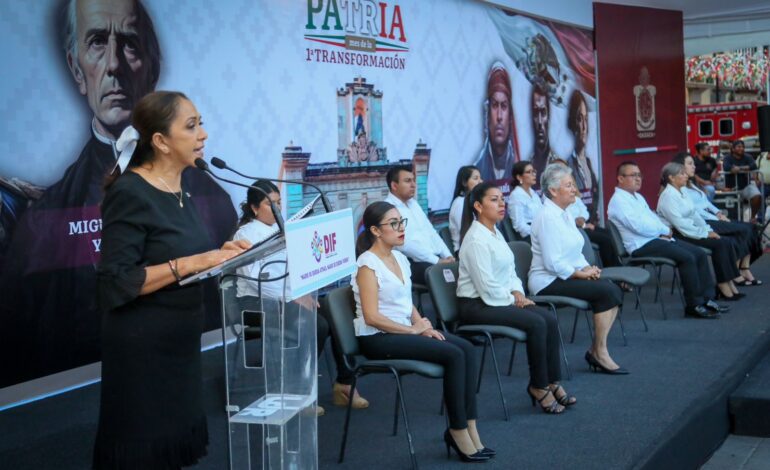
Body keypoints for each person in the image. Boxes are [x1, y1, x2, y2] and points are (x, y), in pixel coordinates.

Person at [0, 0, 236, 386]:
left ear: (151, 66)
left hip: (187, 364)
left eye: (129, 44)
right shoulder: (45, 218)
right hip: (113, 382)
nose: (114, 65)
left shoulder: (212, 196)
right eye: (96, 42)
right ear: (78, 70)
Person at [94, 91, 249, 468]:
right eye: (191, 125)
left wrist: (223, 252)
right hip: (143, 349)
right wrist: (195, 261)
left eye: (201, 123)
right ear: (161, 141)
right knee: (144, 450)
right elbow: (116, 281)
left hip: (179, 342)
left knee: (171, 451)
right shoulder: (130, 192)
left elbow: (176, 252)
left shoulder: (182, 187)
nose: (204, 135)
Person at [352, 201, 492, 462]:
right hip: (378, 338)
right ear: (375, 231)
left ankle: (471, 425)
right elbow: (372, 316)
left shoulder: (399, 258)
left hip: (404, 330)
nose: (401, 228)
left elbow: (406, 303)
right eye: (393, 224)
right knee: (453, 355)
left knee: (467, 349)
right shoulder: (367, 265)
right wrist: (413, 330)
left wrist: (422, 324)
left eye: (401, 222)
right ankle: (457, 429)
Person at [231, 181, 369, 415]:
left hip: (288, 297)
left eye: (279, 203)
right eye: (269, 204)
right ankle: (296, 392)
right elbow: (257, 280)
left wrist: (304, 290)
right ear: (254, 208)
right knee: (317, 324)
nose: (277, 208)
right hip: (255, 303)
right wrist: (293, 296)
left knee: (337, 314)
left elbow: (296, 269)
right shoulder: (245, 235)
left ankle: (344, 383)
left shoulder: (283, 229)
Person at [457, 182, 575, 414]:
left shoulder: (495, 232)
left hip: (500, 298)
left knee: (548, 319)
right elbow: (486, 285)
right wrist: (514, 300)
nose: (501, 204)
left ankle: (552, 381)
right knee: (536, 322)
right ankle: (538, 386)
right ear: (478, 206)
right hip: (476, 305)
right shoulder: (475, 239)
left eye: (502, 199)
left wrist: (518, 292)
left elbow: (509, 272)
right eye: (494, 200)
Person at [529, 164, 627, 374]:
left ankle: (597, 349)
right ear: (553, 191)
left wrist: (587, 267)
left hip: (565, 275)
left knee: (611, 289)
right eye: (569, 185)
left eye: (573, 184)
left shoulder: (564, 213)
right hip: (547, 282)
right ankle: (599, 352)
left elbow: (574, 251)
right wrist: (581, 274)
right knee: (606, 291)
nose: (575, 189)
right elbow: (552, 263)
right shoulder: (547, 216)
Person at [608, 162, 726, 319]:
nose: (638, 179)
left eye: (639, 175)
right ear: (620, 178)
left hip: (655, 238)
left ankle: (707, 299)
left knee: (698, 253)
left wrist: (664, 231)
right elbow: (637, 226)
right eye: (633, 175)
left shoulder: (637, 197)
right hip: (640, 245)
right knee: (687, 258)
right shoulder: (618, 201)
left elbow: (653, 218)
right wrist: (664, 230)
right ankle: (694, 305)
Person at [657, 162, 744, 301]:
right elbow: (680, 224)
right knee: (720, 244)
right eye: (682, 174)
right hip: (678, 233)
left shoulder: (683, 190)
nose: (686, 176)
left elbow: (694, 215)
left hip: (691, 229)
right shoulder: (667, 196)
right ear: (671, 178)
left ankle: (729, 281)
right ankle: (722, 285)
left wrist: (707, 229)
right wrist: (705, 234)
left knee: (726, 242)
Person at [673, 153, 761, 287]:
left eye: (693, 163)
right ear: (680, 167)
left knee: (751, 227)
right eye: (690, 164)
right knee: (744, 230)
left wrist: (719, 212)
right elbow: (695, 212)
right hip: (704, 223)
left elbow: (706, 203)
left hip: (712, 218)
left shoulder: (691, 184)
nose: (694, 166)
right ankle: (737, 271)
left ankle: (743, 269)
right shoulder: (680, 189)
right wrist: (717, 217)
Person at [384, 166, 454, 284]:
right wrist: (437, 261)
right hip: (412, 263)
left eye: (413, 180)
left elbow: (432, 232)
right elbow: (403, 245)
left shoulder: (414, 204)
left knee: (458, 271)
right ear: (394, 186)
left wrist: (448, 256)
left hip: (433, 258)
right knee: (447, 279)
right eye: (408, 181)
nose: (413, 185)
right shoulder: (388, 208)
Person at [474, 63, 517, 196]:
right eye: (494, 106)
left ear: (510, 116)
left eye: (503, 106)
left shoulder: (519, 167)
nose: (499, 116)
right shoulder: (477, 170)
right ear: (487, 115)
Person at [566, 90, 600, 222]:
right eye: (580, 119)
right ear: (572, 123)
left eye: (586, 119)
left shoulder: (590, 162)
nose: (584, 127)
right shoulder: (568, 165)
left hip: (592, 220)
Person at [723, 140, 762, 222]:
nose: (742, 149)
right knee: (735, 211)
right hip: (731, 188)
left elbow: (753, 165)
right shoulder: (727, 157)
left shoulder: (748, 156)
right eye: (739, 147)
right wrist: (733, 169)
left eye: (743, 147)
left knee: (757, 196)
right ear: (733, 149)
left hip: (746, 186)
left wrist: (740, 168)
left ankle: (753, 217)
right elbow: (727, 167)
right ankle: (735, 224)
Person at [529, 79, 560, 183]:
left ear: (549, 116)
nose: (540, 122)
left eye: (543, 112)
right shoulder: (527, 166)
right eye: (535, 113)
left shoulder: (558, 165)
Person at [448, 165, 482, 253]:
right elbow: (467, 233)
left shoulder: (475, 201)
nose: (480, 181)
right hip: (465, 250)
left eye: (480, 178)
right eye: (475, 178)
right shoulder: (459, 203)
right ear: (464, 182)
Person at [507, 161, 542, 242]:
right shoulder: (516, 196)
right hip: (528, 237)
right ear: (519, 177)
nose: (533, 174)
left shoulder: (533, 193)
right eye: (529, 172)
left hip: (540, 231)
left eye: (533, 171)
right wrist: (538, 232)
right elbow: (519, 225)